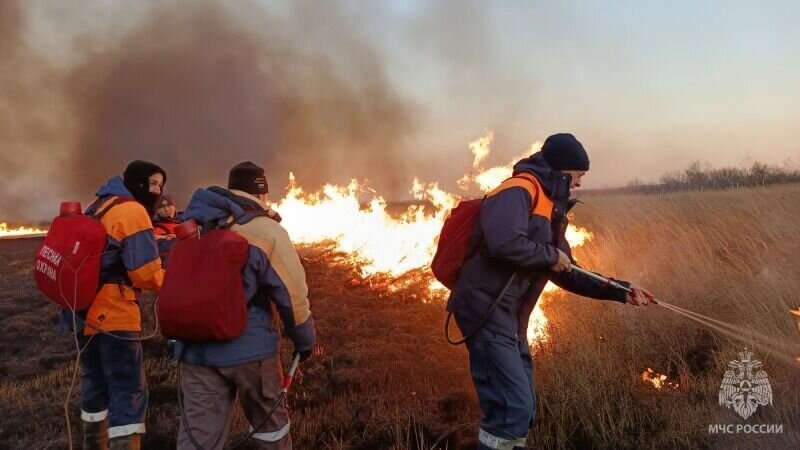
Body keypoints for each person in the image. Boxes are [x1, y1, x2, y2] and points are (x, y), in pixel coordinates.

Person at [446, 133, 654, 450]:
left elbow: (568, 270)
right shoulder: (518, 190)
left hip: (511, 317)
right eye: (578, 176)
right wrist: (550, 256)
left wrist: (621, 290)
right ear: (561, 171)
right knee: (510, 408)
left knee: (523, 408)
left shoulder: (551, 209)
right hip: (484, 310)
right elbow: (505, 243)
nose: (580, 184)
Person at [175, 161, 315, 450]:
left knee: (198, 439)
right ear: (262, 193)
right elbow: (292, 294)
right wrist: (304, 340)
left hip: (195, 349)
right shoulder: (265, 230)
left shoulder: (194, 224)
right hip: (250, 351)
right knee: (270, 433)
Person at [64, 160, 166, 450]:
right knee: (127, 389)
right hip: (115, 314)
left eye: (161, 185)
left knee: (94, 385)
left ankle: (92, 444)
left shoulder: (99, 205)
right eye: (154, 184)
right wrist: (175, 280)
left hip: (84, 312)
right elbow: (144, 272)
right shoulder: (132, 211)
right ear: (138, 183)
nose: (157, 191)